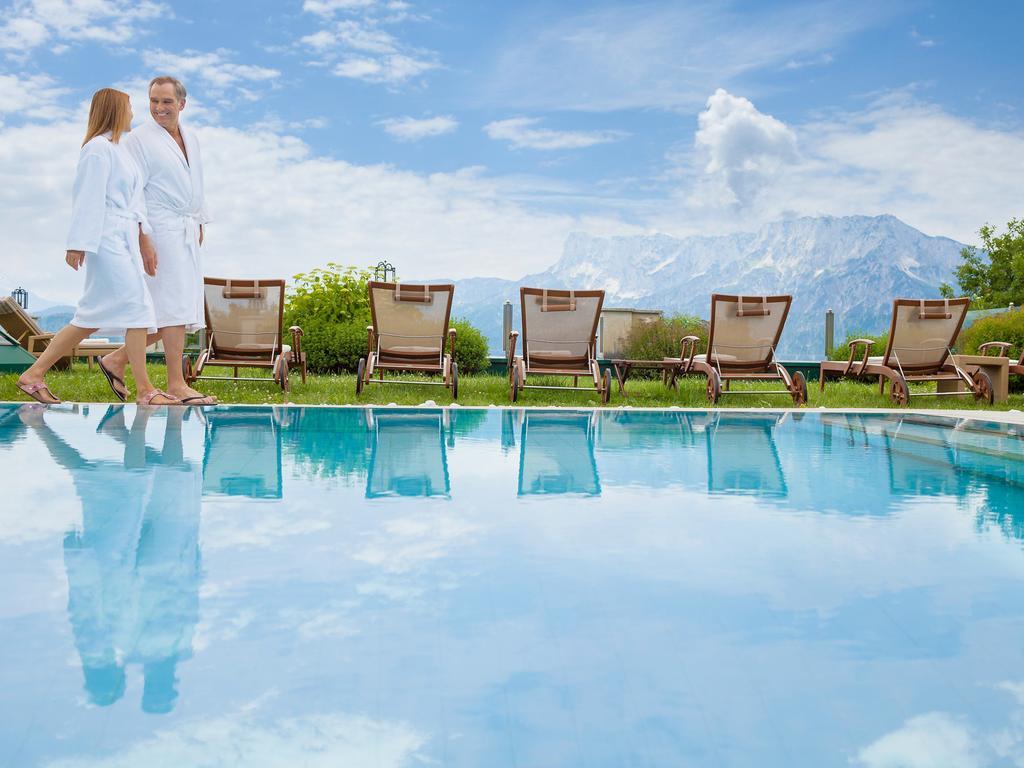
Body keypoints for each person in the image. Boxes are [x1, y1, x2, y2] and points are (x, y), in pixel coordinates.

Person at [15, 88, 178, 406]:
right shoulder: (97, 149)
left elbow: (135, 201)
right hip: (105, 242)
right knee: (138, 309)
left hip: (123, 240)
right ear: (116, 110)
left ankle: (33, 375)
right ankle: (146, 390)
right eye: (129, 107)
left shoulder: (120, 151)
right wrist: (77, 243)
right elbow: (87, 197)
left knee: (92, 316)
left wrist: (144, 235)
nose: (133, 114)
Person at [99, 76, 216, 405]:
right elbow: (133, 191)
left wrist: (201, 220)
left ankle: (115, 360)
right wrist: (143, 238)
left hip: (186, 228)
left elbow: (198, 183)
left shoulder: (191, 138)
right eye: (153, 101)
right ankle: (176, 383)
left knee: (172, 308)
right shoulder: (138, 140)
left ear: (182, 104)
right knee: (170, 308)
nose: (159, 108)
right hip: (159, 228)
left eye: (166, 102)